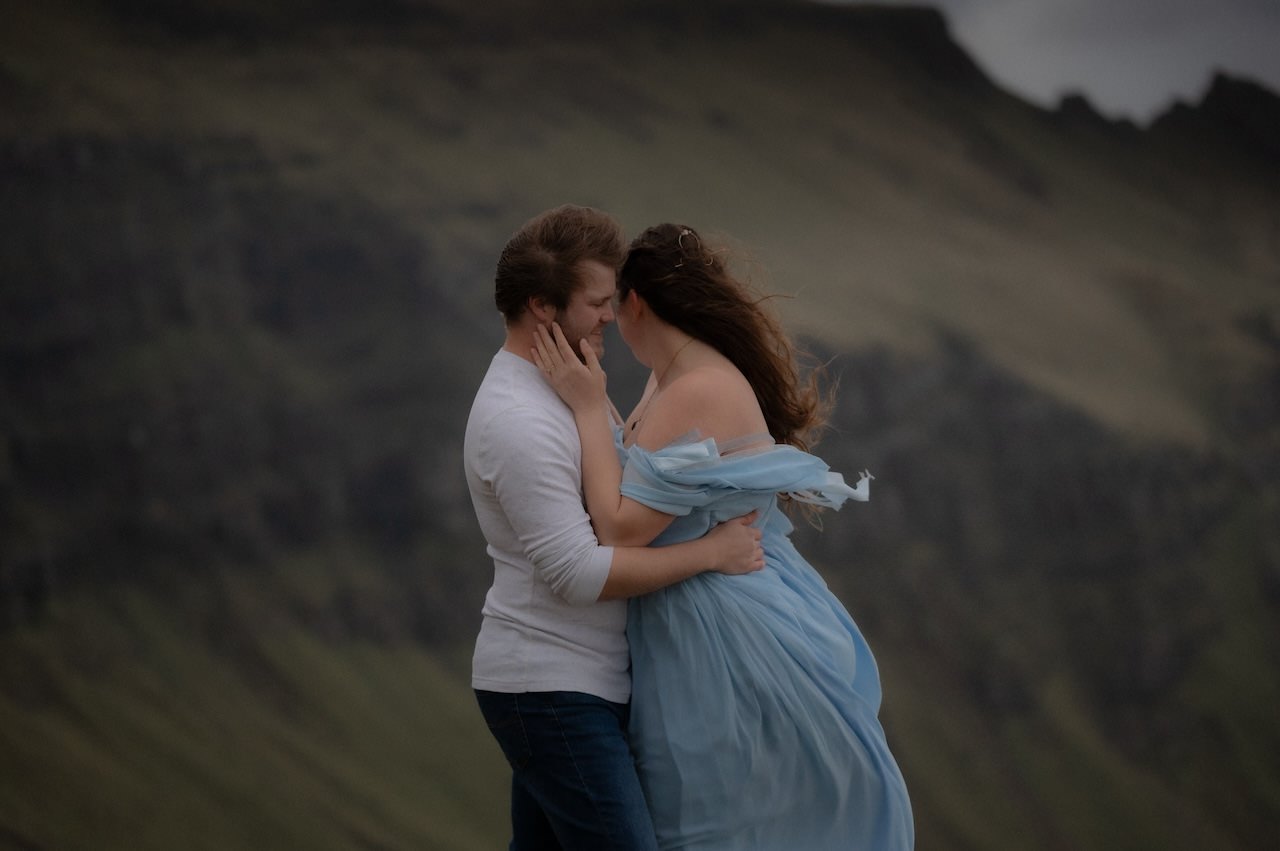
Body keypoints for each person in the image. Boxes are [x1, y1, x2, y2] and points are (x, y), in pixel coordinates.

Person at [532, 222, 915, 850]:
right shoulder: (672, 376)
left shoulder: (698, 387)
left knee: (715, 820)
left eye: (609, 307)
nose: (606, 323)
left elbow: (622, 528)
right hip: (700, 609)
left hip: (718, 628)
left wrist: (582, 407)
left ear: (636, 303)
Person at [463, 206, 766, 851]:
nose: (611, 314)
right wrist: (714, 552)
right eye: (597, 302)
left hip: (582, 682)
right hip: (549, 688)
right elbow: (577, 573)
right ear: (544, 306)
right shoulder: (519, 420)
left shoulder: (570, 387)